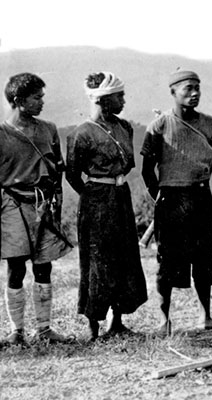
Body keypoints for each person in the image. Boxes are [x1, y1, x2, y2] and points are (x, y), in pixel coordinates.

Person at [141, 70, 212, 335]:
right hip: (171, 199)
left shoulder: (209, 124)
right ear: (173, 92)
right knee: (167, 261)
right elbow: (147, 169)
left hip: (200, 196)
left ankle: (206, 316)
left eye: (198, 88)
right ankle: (164, 321)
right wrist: (160, 196)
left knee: (203, 257)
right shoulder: (160, 125)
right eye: (188, 89)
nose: (195, 93)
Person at [66, 72, 148, 340]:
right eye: (118, 96)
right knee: (97, 261)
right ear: (102, 100)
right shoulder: (82, 133)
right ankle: (93, 327)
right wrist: (91, 196)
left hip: (120, 196)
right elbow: (72, 174)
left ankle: (117, 321)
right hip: (96, 200)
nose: (123, 101)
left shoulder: (124, 128)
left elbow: (128, 164)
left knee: (123, 257)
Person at [0, 73, 73, 345]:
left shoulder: (48, 129)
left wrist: (57, 204)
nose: (42, 102)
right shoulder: (2, 134)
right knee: (16, 267)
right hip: (11, 205)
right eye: (36, 97)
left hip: (43, 205)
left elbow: (58, 169)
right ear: (18, 101)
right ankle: (16, 331)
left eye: (42, 96)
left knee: (44, 267)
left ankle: (44, 329)